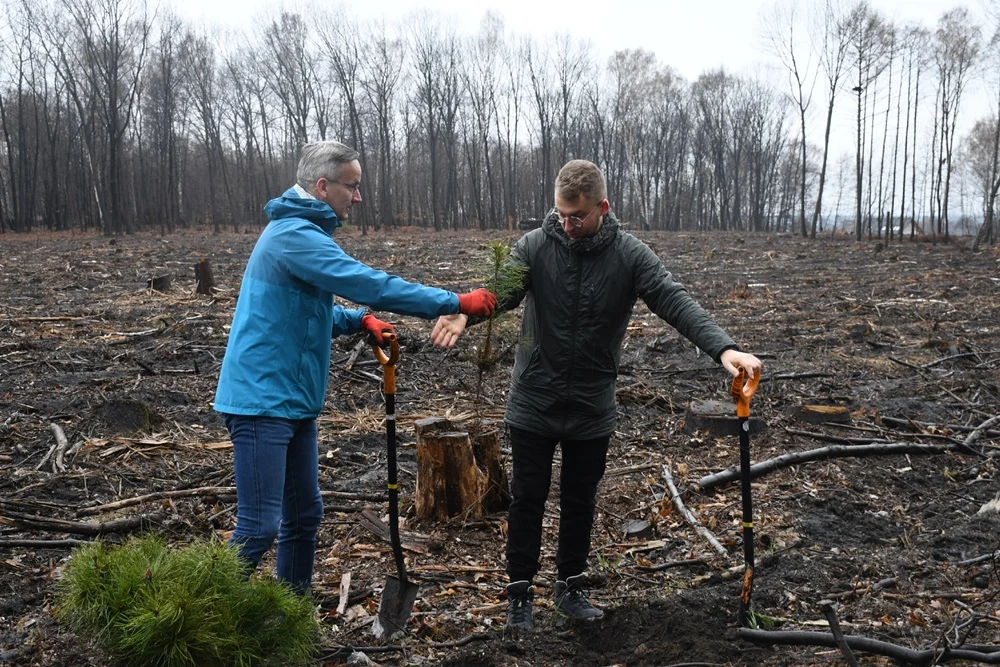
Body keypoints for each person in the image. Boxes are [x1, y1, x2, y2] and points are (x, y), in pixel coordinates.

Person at [431, 159, 762, 631]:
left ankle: (570, 587)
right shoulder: (535, 246)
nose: (567, 225)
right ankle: (519, 595)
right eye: (560, 215)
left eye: (577, 217)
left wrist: (723, 348)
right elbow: (500, 291)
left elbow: (673, 299)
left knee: (580, 499)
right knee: (528, 498)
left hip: (591, 404)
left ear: (603, 208)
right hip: (534, 400)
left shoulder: (630, 255)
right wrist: (465, 311)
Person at [214, 140, 497, 595]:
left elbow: (303, 312)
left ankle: (291, 619)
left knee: (305, 515)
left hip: (292, 401)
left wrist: (357, 319)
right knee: (258, 527)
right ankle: (195, 617)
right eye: (353, 186)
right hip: (260, 402)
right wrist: (453, 301)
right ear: (323, 187)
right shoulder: (294, 237)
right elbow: (367, 282)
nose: (359, 197)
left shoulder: (304, 234)